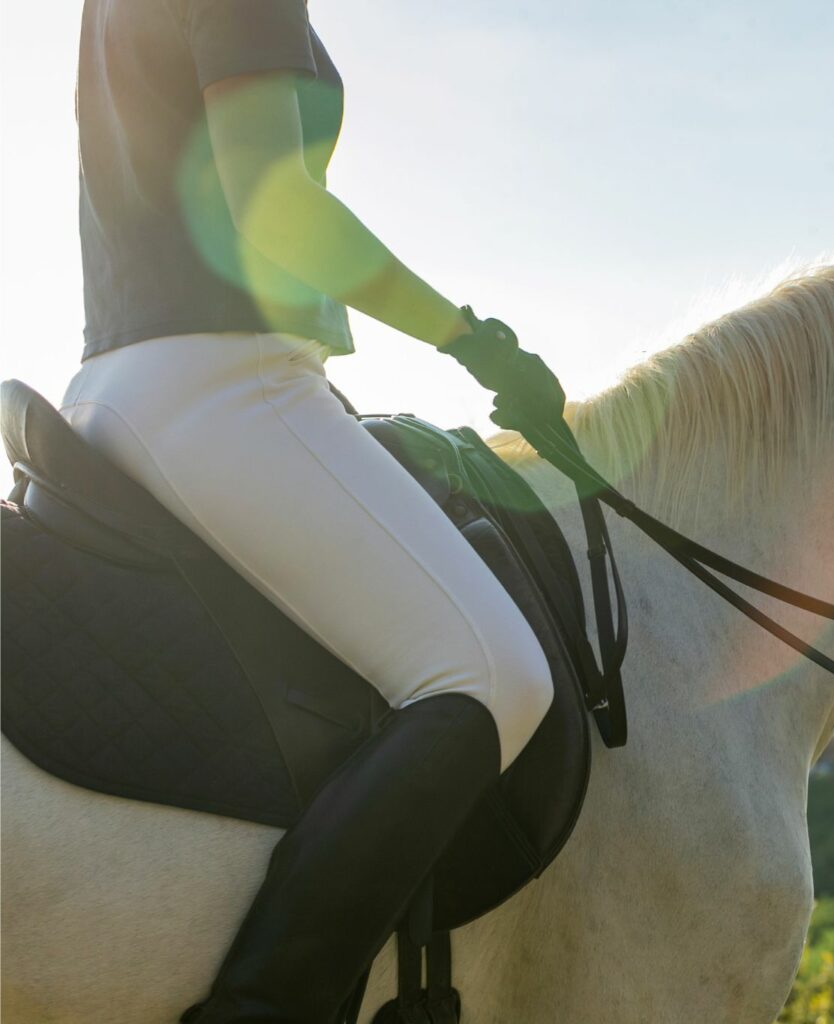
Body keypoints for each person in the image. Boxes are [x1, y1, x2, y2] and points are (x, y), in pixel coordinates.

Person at [67, 1, 564, 1018]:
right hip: (218, 383)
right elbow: (272, 208)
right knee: (495, 676)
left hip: (121, 385)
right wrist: (472, 341)